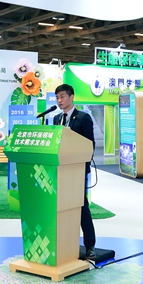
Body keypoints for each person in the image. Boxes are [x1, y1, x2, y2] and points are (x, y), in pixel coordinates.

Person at [52, 84, 97, 259]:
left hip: (76, 170)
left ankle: (90, 245)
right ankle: (64, 243)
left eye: (62, 96)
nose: (59, 100)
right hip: (59, 170)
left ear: (71, 97)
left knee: (81, 206)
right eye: (57, 97)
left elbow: (90, 145)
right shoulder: (56, 119)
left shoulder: (83, 118)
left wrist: (82, 163)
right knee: (61, 207)